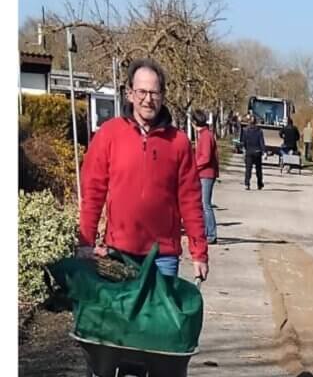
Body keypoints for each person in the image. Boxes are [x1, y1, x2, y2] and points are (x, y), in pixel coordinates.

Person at [77, 58, 208, 280]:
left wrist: (199, 253)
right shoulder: (109, 134)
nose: (148, 99)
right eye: (141, 92)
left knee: (159, 315)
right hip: (119, 252)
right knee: (121, 316)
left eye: (154, 93)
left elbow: (191, 201)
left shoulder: (179, 142)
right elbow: (93, 193)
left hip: (163, 256)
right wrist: (85, 242)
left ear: (163, 95)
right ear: (129, 93)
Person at [192, 109, 219, 244]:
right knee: (202, 204)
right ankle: (206, 232)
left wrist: (194, 166)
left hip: (206, 173)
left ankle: (211, 234)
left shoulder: (205, 136)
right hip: (203, 173)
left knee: (205, 204)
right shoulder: (203, 135)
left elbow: (206, 157)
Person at [240, 114, 265, 190]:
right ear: (256, 122)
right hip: (257, 152)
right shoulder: (259, 131)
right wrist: (264, 151)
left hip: (249, 152)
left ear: (248, 122)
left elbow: (243, 142)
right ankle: (259, 184)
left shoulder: (245, 130)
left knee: (248, 169)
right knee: (258, 169)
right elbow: (261, 142)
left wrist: (243, 150)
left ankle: (247, 184)